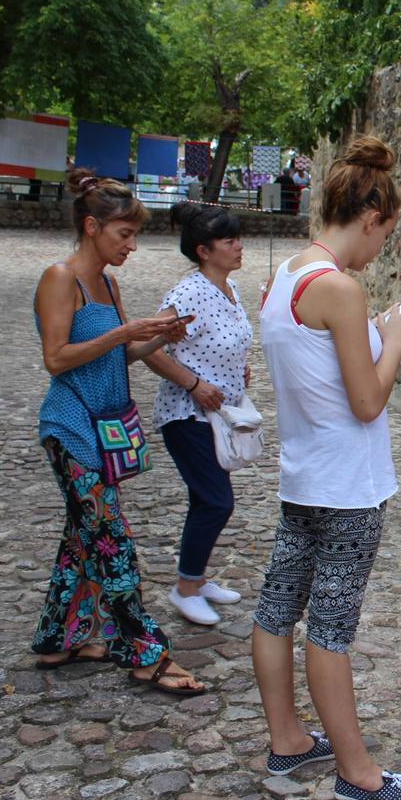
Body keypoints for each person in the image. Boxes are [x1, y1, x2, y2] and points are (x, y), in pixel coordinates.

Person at [252, 136, 401, 800]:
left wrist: (374, 333)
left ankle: (288, 738)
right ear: (371, 218)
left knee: (277, 610)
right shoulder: (341, 289)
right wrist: (399, 342)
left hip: (302, 477)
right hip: (348, 489)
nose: (383, 246)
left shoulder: (287, 279)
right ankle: (359, 774)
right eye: (387, 232)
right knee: (330, 627)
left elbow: (319, 377)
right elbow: (366, 401)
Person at [32, 168, 207, 697]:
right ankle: (144, 651)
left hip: (105, 425)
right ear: (91, 226)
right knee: (110, 541)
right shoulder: (60, 278)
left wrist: (157, 337)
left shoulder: (107, 282)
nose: (131, 244)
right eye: (124, 234)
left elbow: (122, 352)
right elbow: (56, 359)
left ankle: (59, 638)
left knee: (82, 539)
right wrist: (123, 331)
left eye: (134, 235)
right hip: (71, 426)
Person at [146, 202, 251, 626]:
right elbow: (149, 346)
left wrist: (237, 367)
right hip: (186, 414)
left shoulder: (229, 288)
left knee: (204, 498)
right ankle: (185, 588)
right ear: (204, 250)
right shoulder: (188, 292)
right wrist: (194, 383)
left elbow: (221, 341)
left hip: (217, 414)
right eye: (230, 241)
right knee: (215, 501)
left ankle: (196, 576)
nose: (239, 246)